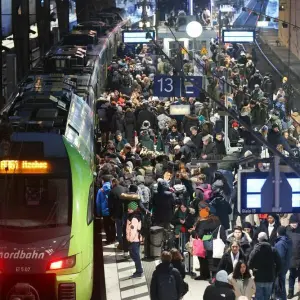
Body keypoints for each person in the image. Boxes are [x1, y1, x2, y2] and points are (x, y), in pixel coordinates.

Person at [248, 232, 281, 300]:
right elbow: (279, 264)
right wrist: (275, 272)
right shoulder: (273, 250)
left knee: (259, 297)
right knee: (267, 297)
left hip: (258, 278)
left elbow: (249, 264)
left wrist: (254, 270)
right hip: (270, 278)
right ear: (267, 238)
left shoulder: (255, 250)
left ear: (258, 239)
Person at [274, 226, 292, 300]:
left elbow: (279, 257)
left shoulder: (280, 243)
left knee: (279, 287)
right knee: (281, 285)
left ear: (278, 232)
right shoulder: (288, 241)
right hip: (285, 266)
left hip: (280, 268)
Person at [126, 201, 143, 278]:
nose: (128, 210)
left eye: (129, 209)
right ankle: (139, 270)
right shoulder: (133, 216)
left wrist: (130, 239)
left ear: (133, 209)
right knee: (134, 255)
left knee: (135, 255)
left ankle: (139, 271)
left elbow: (133, 231)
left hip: (134, 240)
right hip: (134, 239)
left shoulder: (134, 218)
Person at [286, 215, 300, 299]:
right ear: (290, 223)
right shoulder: (286, 231)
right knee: (292, 275)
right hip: (291, 258)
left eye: (296, 223)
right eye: (293, 223)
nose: (294, 224)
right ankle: (290, 291)